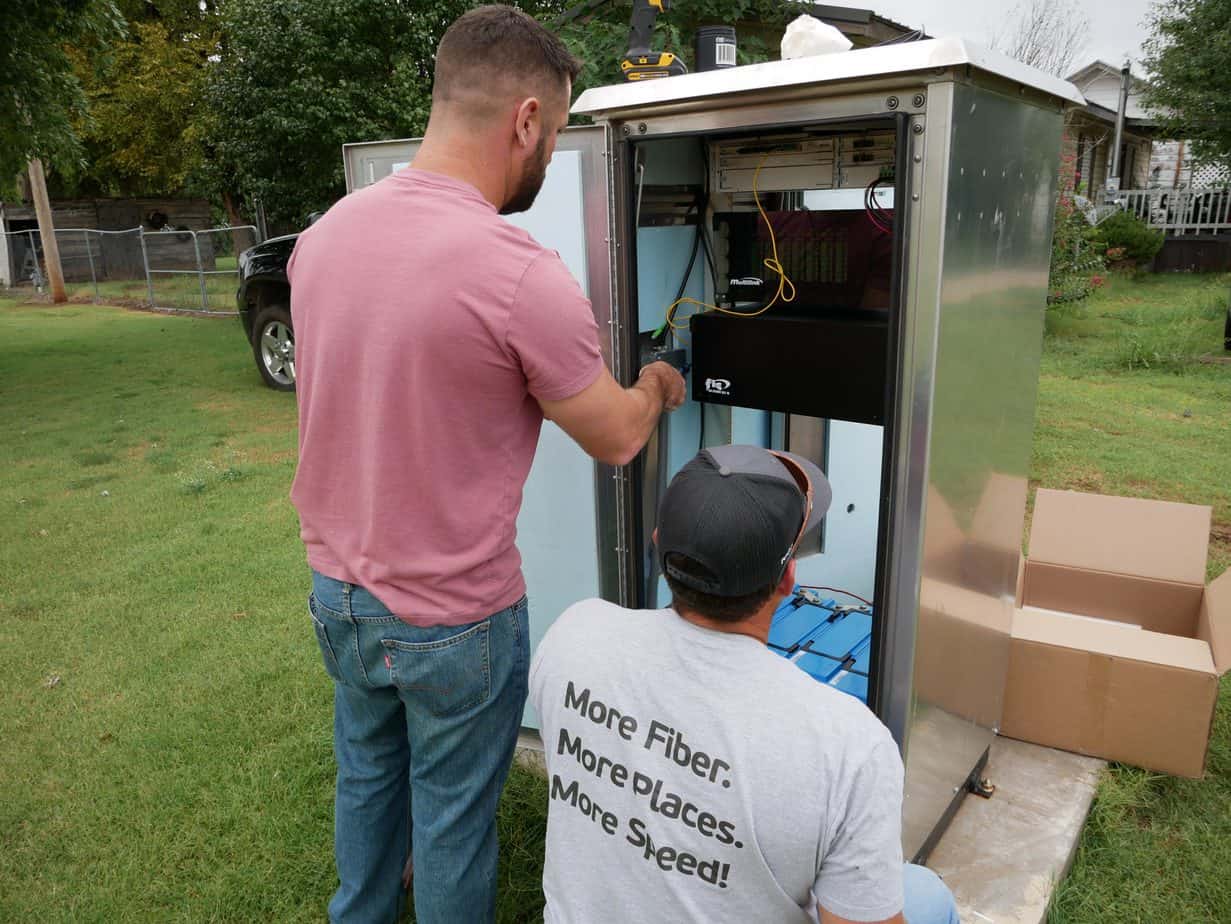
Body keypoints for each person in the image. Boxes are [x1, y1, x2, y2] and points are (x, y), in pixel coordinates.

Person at [286, 6, 686, 923]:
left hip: (338, 592)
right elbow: (616, 436)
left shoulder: (325, 238)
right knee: (455, 820)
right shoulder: (516, 271)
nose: (550, 154)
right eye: (559, 129)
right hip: (455, 616)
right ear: (528, 119)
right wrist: (659, 384)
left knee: (368, 780)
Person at [530, 445, 960, 924]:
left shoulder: (576, 634)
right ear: (787, 578)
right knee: (925, 894)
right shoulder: (850, 747)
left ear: (657, 541)